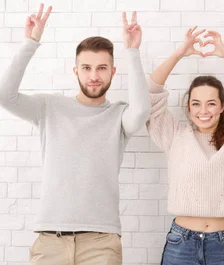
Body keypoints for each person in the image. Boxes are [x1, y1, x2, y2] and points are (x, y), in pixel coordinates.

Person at [0, 5, 150, 265]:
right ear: (76, 71)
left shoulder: (119, 115)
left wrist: (133, 51)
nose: (94, 76)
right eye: (87, 68)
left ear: (113, 72)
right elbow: (5, 95)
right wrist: (31, 42)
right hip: (50, 240)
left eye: (102, 68)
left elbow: (141, 113)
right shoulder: (49, 107)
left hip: (101, 241)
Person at [145, 27, 224, 265]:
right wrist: (178, 54)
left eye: (211, 103)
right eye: (196, 104)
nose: (203, 111)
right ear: (188, 108)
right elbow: (150, 94)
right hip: (181, 243)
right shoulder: (174, 135)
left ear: (222, 106)